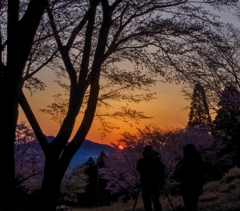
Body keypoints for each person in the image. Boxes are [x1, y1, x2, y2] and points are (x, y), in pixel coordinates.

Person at [173, 144, 204, 211]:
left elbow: (176, 175)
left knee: (188, 205)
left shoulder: (182, 162)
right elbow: (201, 173)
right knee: (194, 204)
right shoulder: (198, 160)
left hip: (186, 186)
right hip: (195, 185)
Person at [136, 145, 165, 211]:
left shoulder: (142, 161)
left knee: (148, 204)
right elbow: (162, 168)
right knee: (156, 202)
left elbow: (138, 168)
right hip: (154, 184)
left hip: (146, 185)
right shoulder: (156, 161)